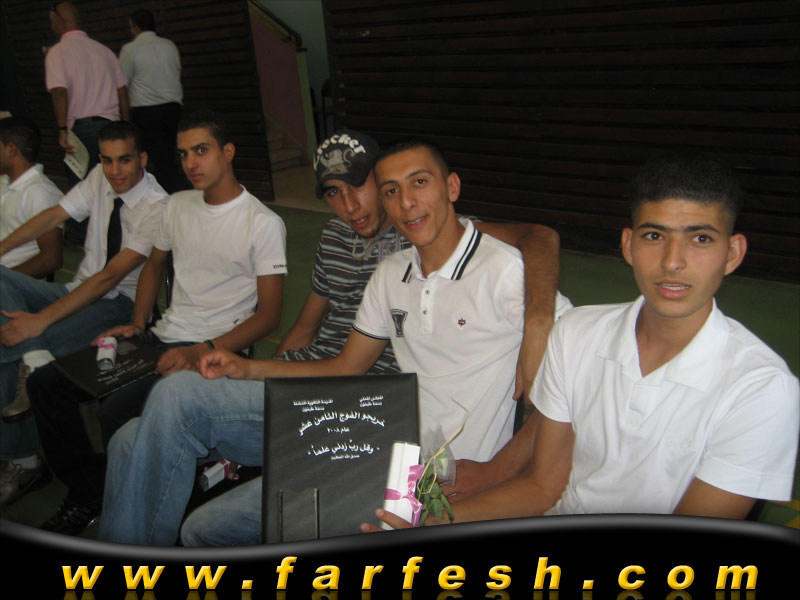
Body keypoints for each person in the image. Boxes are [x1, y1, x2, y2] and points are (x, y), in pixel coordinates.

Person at [98, 135, 571, 546]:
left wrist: (498, 469)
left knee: (178, 401)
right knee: (200, 525)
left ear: (451, 187)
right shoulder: (391, 273)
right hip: (378, 445)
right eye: (392, 190)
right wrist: (248, 367)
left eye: (419, 183)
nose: (406, 202)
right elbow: (345, 365)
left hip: (436, 474)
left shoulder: (503, 270)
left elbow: (574, 384)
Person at [366, 152, 800, 531]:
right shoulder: (577, 334)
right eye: (654, 236)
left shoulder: (761, 388)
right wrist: (428, 524)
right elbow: (542, 487)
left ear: (732, 253)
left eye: (700, 238)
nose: (673, 261)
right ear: (628, 245)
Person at [26, 107, 287, 535]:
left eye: (201, 151)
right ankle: (91, 489)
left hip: (213, 348)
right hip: (162, 337)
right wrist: (137, 322)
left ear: (228, 152)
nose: (191, 164)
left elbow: (269, 316)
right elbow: (153, 266)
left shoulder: (262, 223)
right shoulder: (178, 205)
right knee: (47, 385)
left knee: (116, 413)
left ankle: (133, 509)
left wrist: (203, 350)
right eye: (183, 154)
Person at [0, 120, 167, 505]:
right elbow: (53, 215)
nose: (114, 171)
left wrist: (39, 322)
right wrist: (3, 246)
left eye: (124, 160)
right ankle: (35, 359)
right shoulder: (99, 178)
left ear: (142, 158)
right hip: (74, 289)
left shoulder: (158, 206)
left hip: (116, 304)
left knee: (11, 341)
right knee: (7, 302)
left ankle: (23, 459)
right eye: (106, 160)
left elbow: (109, 278)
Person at [46, 2, 130, 243]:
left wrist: (62, 129)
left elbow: (59, 91)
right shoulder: (104, 51)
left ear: (59, 20)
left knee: (81, 186)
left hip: (81, 131)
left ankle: (83, 238)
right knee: (115, 183)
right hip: (112, 129)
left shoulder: (57, 52)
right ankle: (118, 232)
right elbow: (122, 91)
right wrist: (127, 127)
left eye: (51, 21)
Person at [119, 9, 184, 193]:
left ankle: (175, 194)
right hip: (173, 109)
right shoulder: (170, 45)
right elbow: (177, 73)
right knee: (168, 156)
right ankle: (174, 192)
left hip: (146, 112)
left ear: (134, 27)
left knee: (159, 160)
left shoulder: (130, 49)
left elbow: (121, 85)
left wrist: (125, 119)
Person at [0, 116, 63, 278]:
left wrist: (6, 281)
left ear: (11, 149)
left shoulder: (40, 192)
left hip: (12, 281)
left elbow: (51, 259)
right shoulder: (5, 181)